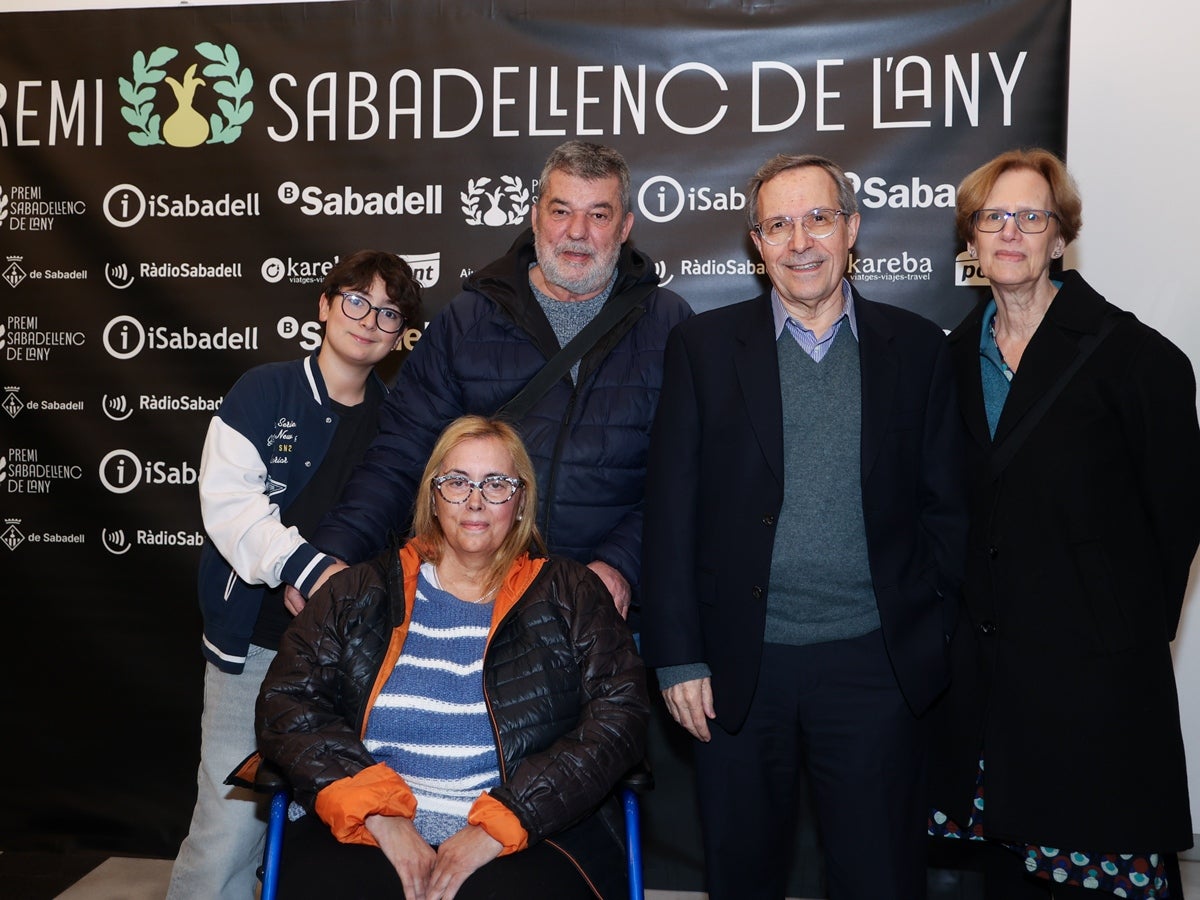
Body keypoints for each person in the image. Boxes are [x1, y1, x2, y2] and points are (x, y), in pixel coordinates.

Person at [640, 153, 968, 900]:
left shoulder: (917, 349)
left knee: (878, 876)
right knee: (744, 875)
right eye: (778, 225)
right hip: (738, 669)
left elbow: (945, 505)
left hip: (874, 666)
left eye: (817, 218)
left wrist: (928, 631)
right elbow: (670, 510)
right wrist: (679, 658)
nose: (800, 241)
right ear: (757, 244)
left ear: (850, 228)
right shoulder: (704, 348)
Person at [926, 148, 1200, 899]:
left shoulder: (1138, 359)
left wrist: (1121, 635)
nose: (1010, 233)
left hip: (1093, 688)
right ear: (971, 242)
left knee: (1089, 880)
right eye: (993, 218)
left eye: (1031, 217)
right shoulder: (943, 363)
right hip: (981, 695)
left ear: (1059, 237)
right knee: (998, 882)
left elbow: (1175, 520)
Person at [251, 415, 649, 900]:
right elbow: (286, 703)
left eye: (496, 484)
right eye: (457, 482)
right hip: (372, 823)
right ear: (432, 497)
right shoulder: (358, 591)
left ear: (521, 501)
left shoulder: (572, 593)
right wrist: (382, 817)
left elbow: (619, 717)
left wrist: (504, 822)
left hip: (531, 828)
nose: (475, 500)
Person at [299, 140, 692, 620]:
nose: (576, 232)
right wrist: (336, 549)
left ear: (625, 227)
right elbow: (402, 454)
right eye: (561, 210)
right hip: (476, 603)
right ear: (534, 216)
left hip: (605, 614)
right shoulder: (470, 319)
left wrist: (619, 564)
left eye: (599, 215)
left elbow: (683, 475)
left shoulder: (667, 323)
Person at [168, 251, 423, 900]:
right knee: (229, 826)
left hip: (343, 662)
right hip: (253, 645)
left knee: (324, 827)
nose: (369, 321)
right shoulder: (264, 390)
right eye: (356, 301)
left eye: (388, 312)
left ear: (400, 336)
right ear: (325, 304)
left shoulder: (397, 425)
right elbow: (230, 506)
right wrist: (308, 565)